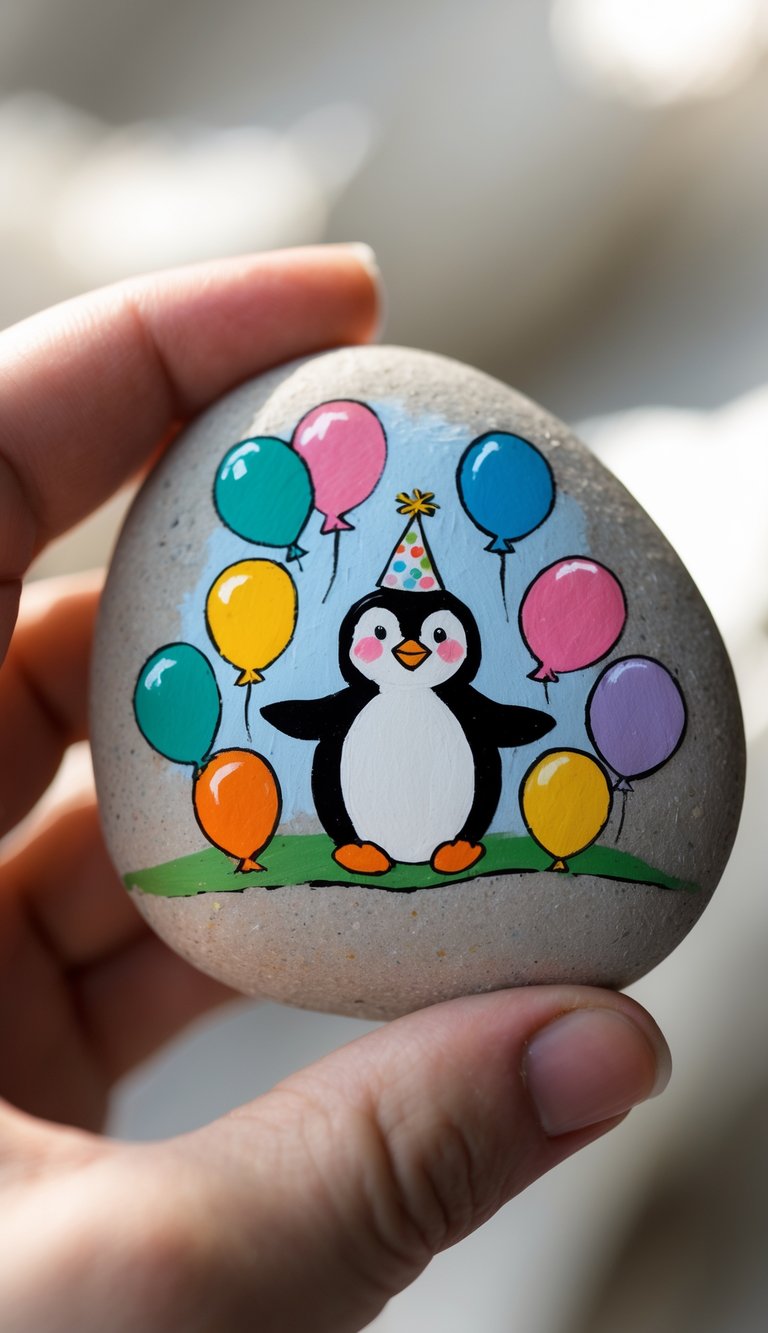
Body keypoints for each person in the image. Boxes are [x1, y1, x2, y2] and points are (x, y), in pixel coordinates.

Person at [0, 245, 670, 1332]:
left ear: (451, 640)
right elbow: (312, 727)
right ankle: (372, 843)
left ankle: (446, 844)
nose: (408, 653)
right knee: (345, 771)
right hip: (355, 826)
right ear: (363, 639)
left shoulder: (463, 688)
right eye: (388, 636)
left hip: (455, 823)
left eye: (429, 637)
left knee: (460, 770)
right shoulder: (353, 689)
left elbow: (499, 725)